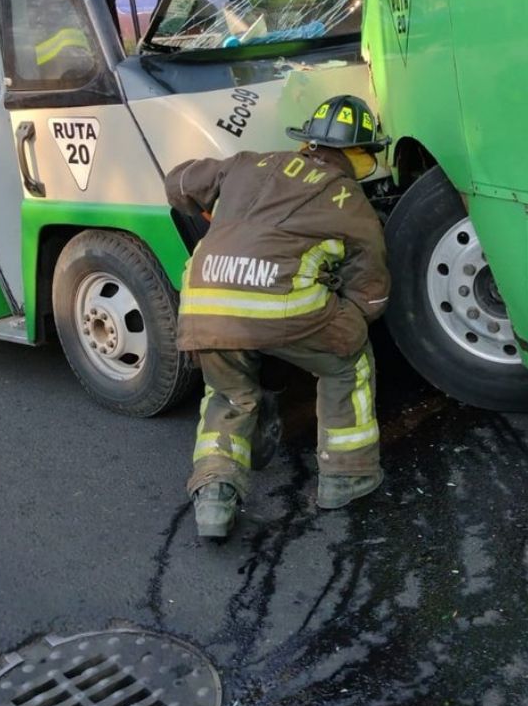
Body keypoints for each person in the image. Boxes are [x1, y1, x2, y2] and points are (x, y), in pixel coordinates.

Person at [165, 94, 391, 540]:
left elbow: (179, 183)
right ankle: (347, 475)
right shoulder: (350, 199)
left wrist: (215, 216)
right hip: (282, 306)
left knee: (228, 393)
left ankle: (213, 496)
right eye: (369, 153)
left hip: (203, 302)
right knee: (350, 360)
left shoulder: (250, 162)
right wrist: (348, 316)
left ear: (309, 142)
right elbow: (371, 290)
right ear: (355, 155)